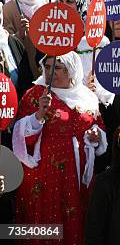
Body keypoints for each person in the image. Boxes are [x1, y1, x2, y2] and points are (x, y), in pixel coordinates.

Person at [12, 52, 107, 245]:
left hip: (77, 174)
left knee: (75, 221)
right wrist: (38, 116)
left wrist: (95, 138)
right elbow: (20, 136)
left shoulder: (87, 97)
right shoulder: (36, 94)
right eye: (47, 67)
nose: (51, 72)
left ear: (71, 70)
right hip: (43, 175)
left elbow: (98, 127)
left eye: (57, 67)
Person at [3, 0, 46, 79]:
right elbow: (5, 42)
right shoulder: (9, 8)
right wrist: (19, 35)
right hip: (21, 66)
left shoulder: (48, 3)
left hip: (45, 65)